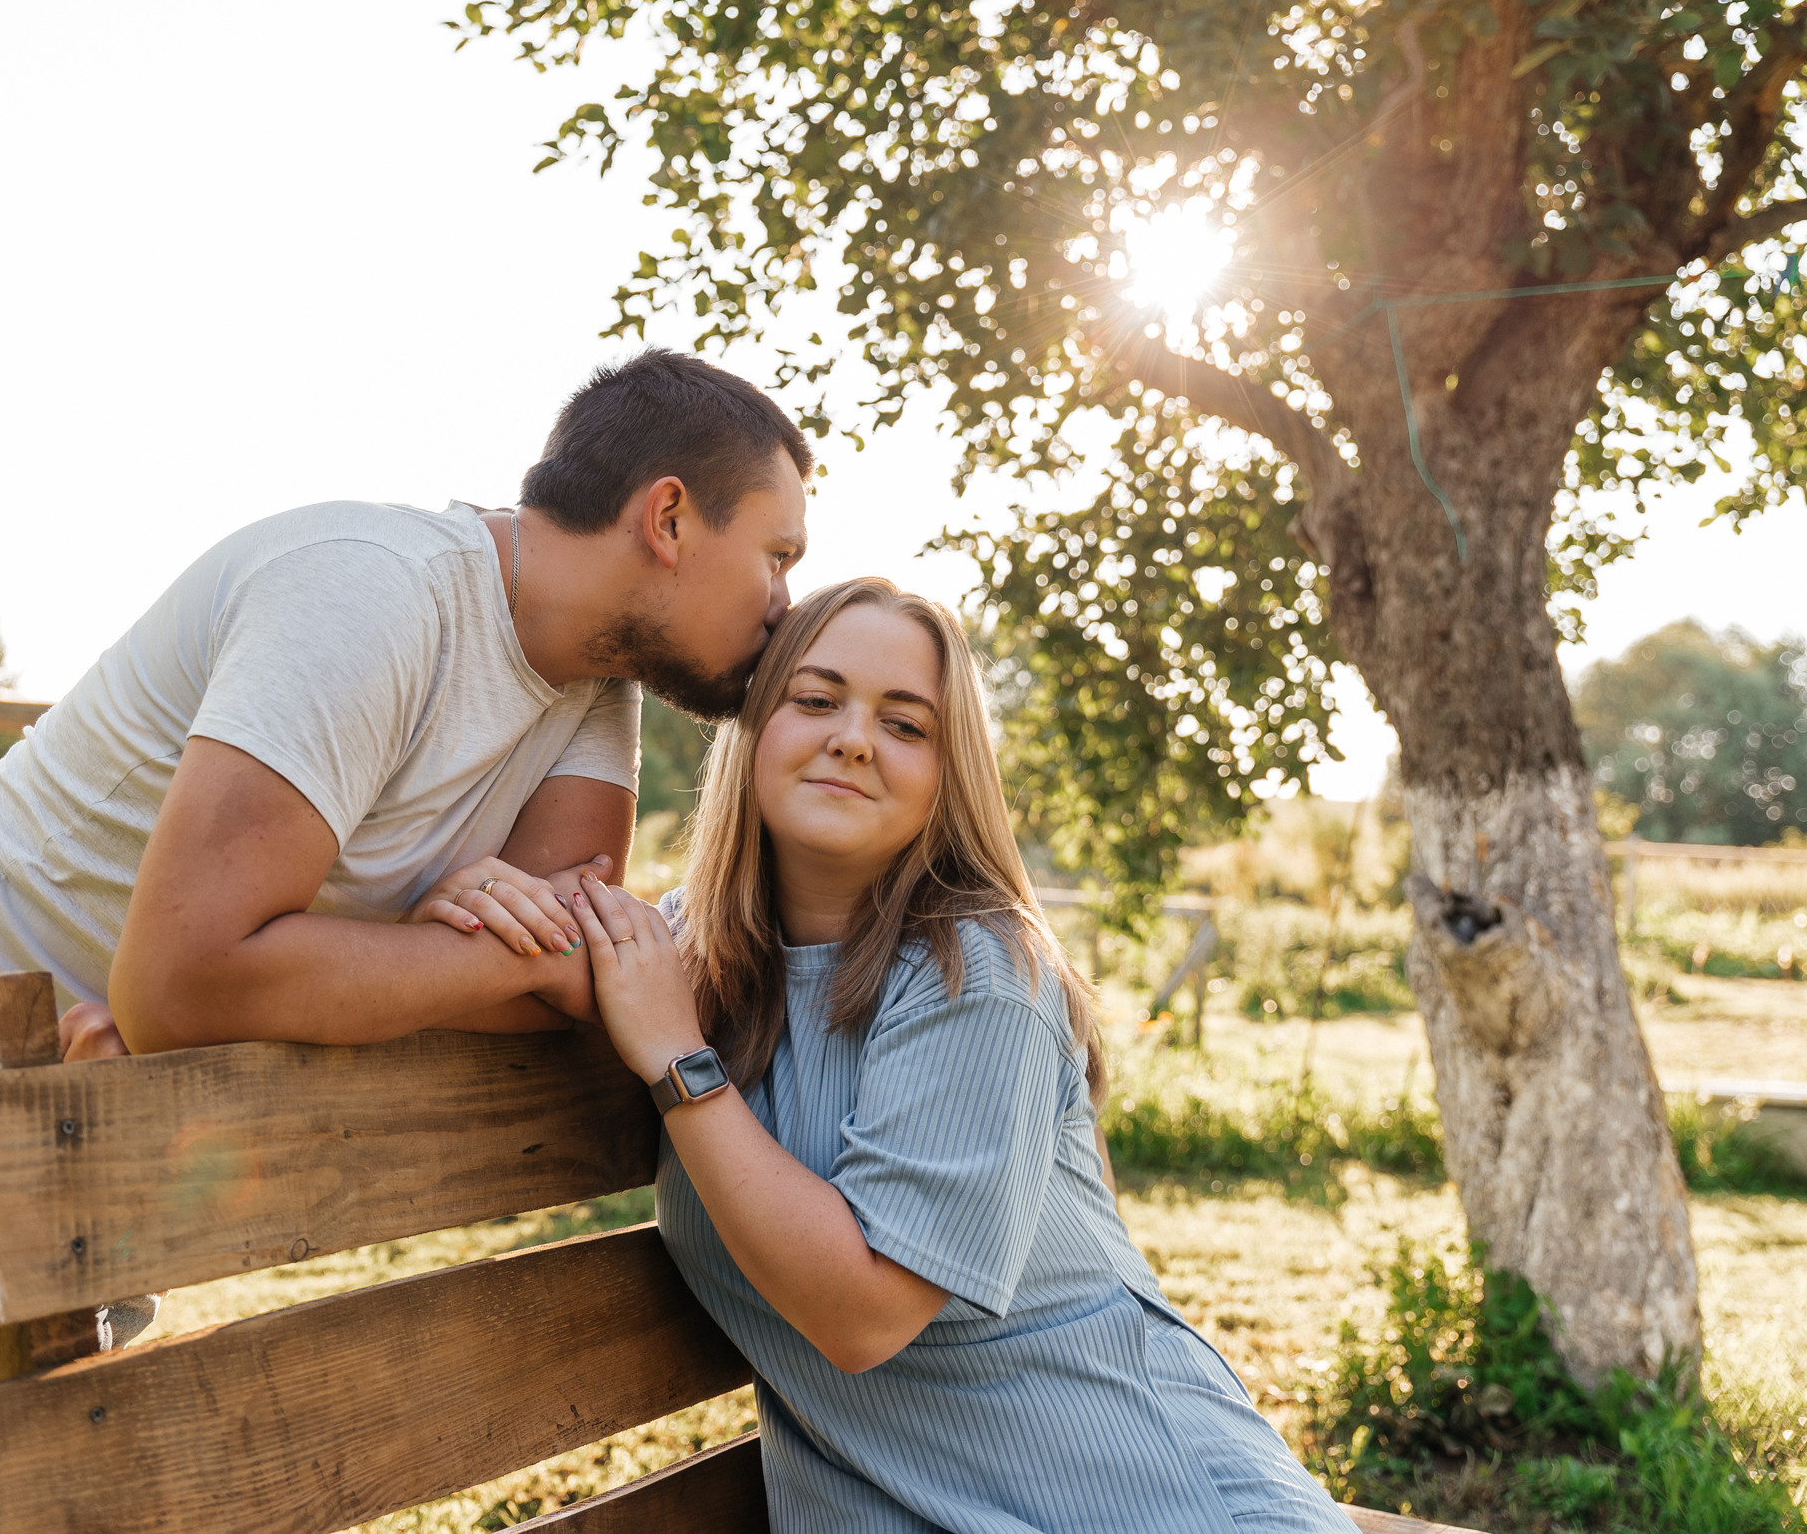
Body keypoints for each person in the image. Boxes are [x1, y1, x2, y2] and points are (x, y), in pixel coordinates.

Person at [0, 349, 813, 1533]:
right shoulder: (368, 594)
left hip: (97, 1098)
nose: (784, 599)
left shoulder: (596, 683)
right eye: (778, 554)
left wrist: (485, 946)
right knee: (25, 1494)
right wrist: (491, 939)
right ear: (670, 515)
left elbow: (566, 974)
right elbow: (185, 982)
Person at [560, 577, 1357, 1533]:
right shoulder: (694, 952)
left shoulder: (973, 972)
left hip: (1148, 1503)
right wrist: (493, 893)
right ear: (753, 730)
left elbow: (865, 1317)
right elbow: (541, 938)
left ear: (949, 774)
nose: (854, 738)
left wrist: (682, 1065)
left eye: (906, 726)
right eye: (816, 701)